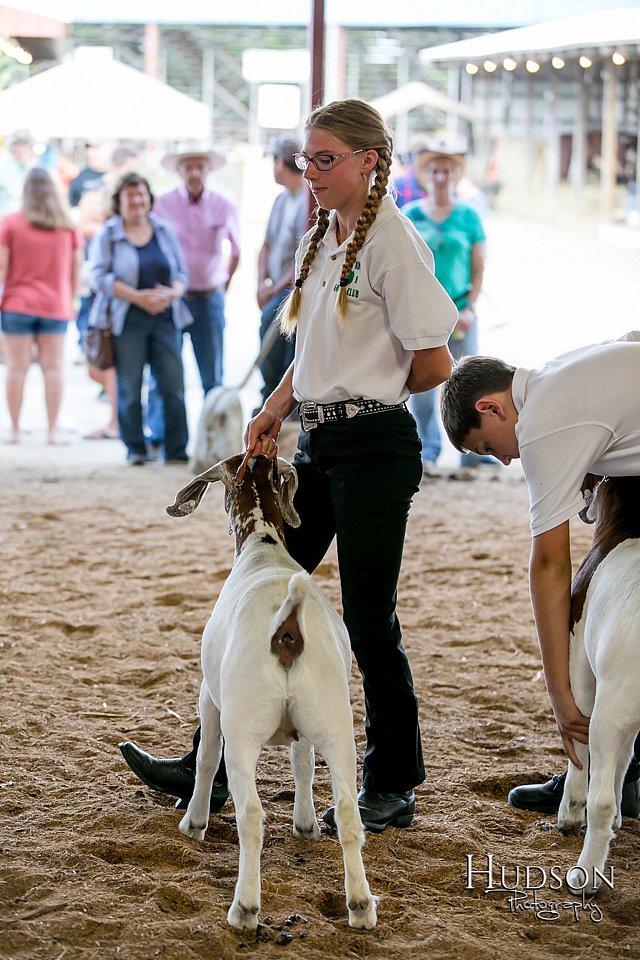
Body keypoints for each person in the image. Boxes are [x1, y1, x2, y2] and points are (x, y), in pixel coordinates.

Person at [119, 98, 458, 832]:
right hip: (322, 444)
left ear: (370, 161)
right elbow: (310, 356)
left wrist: (364, 390)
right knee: (256, 593)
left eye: (325, 159)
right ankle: (204, 769)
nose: (311, 172)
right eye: (307, 159)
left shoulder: (391, 240)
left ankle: (392, 779)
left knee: (369, 621)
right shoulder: (325, 237)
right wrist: (278, 408)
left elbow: (435, 362)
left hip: (375, 447)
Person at [439, 334, 640, 816]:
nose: (505, 460)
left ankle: (608, 771)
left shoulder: (540, 426)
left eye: (489, 447)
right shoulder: (557, 371)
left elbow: (549, 565)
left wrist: (561, 700)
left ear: (492, 407)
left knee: (584, 598)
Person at [87, 172, 191, 465]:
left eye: (141, 194)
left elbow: (182, 274)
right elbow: (97, 277)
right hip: (128, 318)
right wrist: (137, 296)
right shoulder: (108, 234)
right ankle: (136, 448)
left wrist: (171, 294)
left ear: (149, 198)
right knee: (130, 387)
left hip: (165, 318)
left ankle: (175, 450)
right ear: (119, 201)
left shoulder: (163, 230)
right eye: (129, 195)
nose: (136, 201)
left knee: (172, 386)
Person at [147, 141, 241, 455]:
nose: (195, 173)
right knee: (165, 372)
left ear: (208, 170)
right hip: (174, 299)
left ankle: (213, 444)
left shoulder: (224, 205)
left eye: (200, 166)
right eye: (188, 167)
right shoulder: (162, 203)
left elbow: (236, 250)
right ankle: (163, 439)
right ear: (180, 171)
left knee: (211, 376)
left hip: (209, 296)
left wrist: (222, 286)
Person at [402, 140, 490, 473]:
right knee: (423, 386)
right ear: (426, 175)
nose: (441, 177)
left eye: (447, 171)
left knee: (469, 380)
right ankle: (428, 449)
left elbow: (478, 266)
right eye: (435, 171)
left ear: (455, 176)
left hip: (459, 308)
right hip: (423, 312)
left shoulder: (469, 215)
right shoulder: (411, 215)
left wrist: (470, 306)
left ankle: (475, 448)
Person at [0, 168, 83, 444]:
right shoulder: (68, 227)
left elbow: (2, 268)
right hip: (55, 305)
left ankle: (13, 430)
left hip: (17, 304)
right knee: (53, 368)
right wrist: (70, 300)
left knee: (16, 368)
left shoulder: (10, 223)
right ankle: (52, 431)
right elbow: (76, 271)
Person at [75, 146, 139, 440]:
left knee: (116, 365)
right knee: (97, 360)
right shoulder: (96, 201)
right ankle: (116, 419)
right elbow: (83, 229)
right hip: (102, 297)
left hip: (122, 303)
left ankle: (117, 422)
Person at [255, 136, 308, 407]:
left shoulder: (307, 202)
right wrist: (261, 284)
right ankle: (269, 394)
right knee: (267, 336)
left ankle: (280, 401)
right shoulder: (281, 199)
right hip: (275, 286)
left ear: (281, 163)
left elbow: (303, 257)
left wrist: (274, 289)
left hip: (291, 290)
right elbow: (266, 245)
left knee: (281, 345)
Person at [67, 139, 111, 208]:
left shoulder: (117, 175)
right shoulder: (79, 177)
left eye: (96, 148)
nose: (91, 153)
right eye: (88, 149)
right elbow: (70, 205)